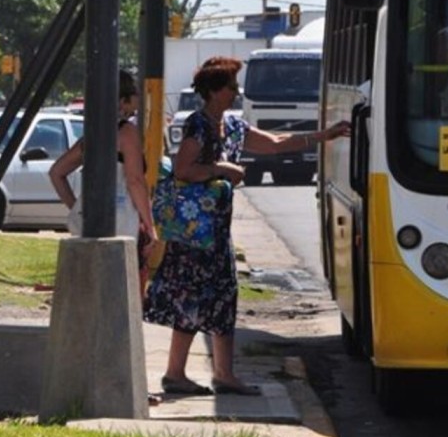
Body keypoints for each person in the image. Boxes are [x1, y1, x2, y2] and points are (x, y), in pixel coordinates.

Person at [143, 57, 351, 397]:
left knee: (219, 299)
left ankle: (214, 374)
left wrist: (323, 136)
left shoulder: (233, 126)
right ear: (212, 91)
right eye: (230, 87)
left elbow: (275, 143)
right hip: (196, 233)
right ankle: (184, 374)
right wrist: (222, 168)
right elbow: (183, 169)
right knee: (196, 301)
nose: (236, 93)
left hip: (216, 233)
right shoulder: (198, 125)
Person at [48, 70, 159, 299]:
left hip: (87, 220)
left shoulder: (91, 133)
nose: (139, 99)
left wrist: (77, 206)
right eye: (135, 94)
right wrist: (150, 224)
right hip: (122, 222)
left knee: (89, 290)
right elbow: (135, 180)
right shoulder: (126, 132)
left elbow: (57, 172)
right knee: (119, 292)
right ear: (123, 99)